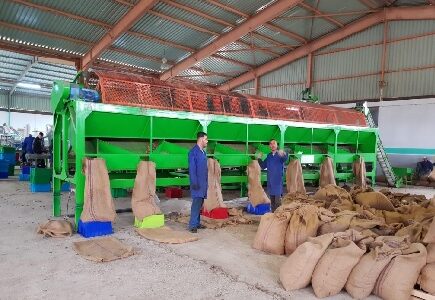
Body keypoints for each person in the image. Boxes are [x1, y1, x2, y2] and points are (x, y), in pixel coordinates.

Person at [257, 139, 288, 212]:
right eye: (271, 144)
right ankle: (273, 218)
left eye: (274, 143)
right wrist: (259, 158)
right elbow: (263, 166)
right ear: (269, 146)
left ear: (277, 145)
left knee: (278, 203)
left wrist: (284, 153)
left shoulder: (280, 155)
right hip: (270, 182)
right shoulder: (269, 156)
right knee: (272, 203)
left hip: (277, 182)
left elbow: (285, 158)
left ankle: (279, 218)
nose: (272, 145)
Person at [188, 132, 209, 233]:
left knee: (200, 203)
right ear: (201, 139)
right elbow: (192, 169)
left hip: (203, 183)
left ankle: (197, 223)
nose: (207, 141)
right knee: (196, 204)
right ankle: (192, 225)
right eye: (206, 139)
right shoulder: (193, 152)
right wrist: (194, 182)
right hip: (197, 183)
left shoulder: (203, 152)